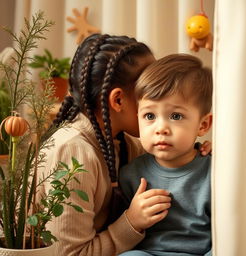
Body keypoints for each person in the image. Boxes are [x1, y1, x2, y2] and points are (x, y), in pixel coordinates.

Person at [38, 34, 212, 256]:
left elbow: (177, 159)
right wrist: (130, 222)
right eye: (147, 86)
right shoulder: (72, 152)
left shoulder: (125, 144)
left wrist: (202, 151)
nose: (159, 93)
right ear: (119, 100)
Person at [119, 54, 213, 256]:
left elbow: (226, 233)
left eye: (176, 116)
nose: (161, 128)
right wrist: (132, 217)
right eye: (150, 116)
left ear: (203, 124)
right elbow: (124, 233)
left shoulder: (214, 172)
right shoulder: (130, 174)